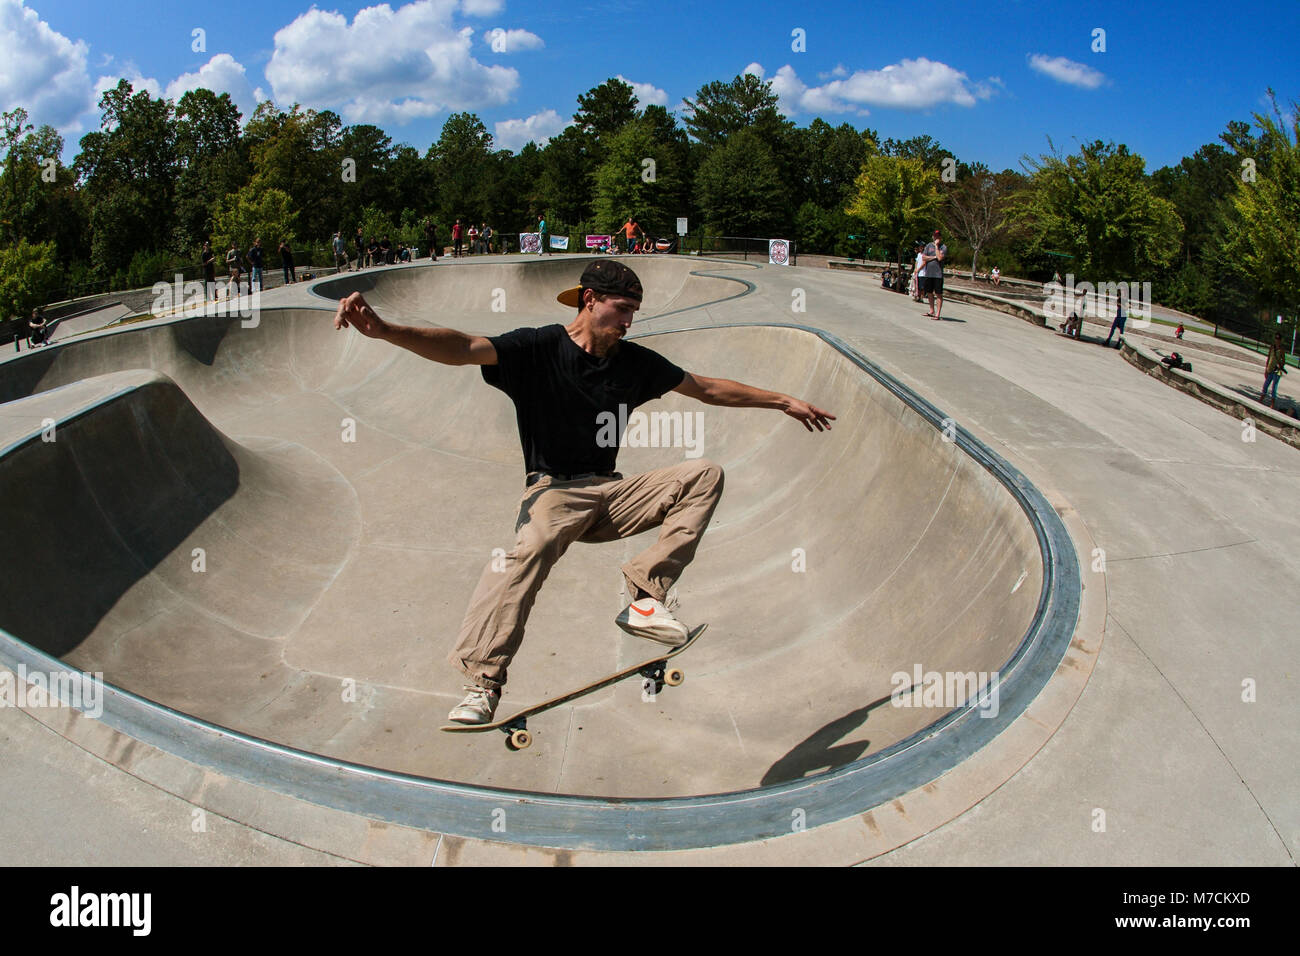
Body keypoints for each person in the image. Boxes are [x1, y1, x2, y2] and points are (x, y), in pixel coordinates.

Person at [332, 259, 835, 724]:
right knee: (527, 551)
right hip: (552, 493)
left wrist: (782, 400)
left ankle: (644, 597)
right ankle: (482, 683)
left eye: (635, 313)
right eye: (622, 310)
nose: (629, 323)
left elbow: (705, 388)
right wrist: (385, 331)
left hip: (611, 496)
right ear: (590, 300)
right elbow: (464, 348)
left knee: (704, 473)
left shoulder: (635, 363)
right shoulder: (536, 349)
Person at [920, 229, 947, 320]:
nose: (936, 237)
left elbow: (939, 258)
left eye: (938, 236)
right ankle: (931, 310)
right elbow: (924, 258)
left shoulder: (943, 247)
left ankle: (937, 314)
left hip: (938, 274)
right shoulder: (928, 246)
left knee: (938, 294)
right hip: (929, 273)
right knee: (929, 292)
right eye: (935, 236)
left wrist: (936, 246)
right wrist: (933, 257)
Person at [1261, 332, 1287, 409]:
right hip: (1270, 369)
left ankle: (1272, 403)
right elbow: (1269, 357)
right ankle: (1261, 398)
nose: (1277, 340)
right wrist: (1266, 368)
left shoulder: (1281, 349)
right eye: (1276, 338)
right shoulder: (1272, 347)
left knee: (1274, 387)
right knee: (1266, 384)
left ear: (1280, 340)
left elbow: (1283, 360)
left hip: (1277, 370)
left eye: (1278, 339)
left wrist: (1280, 365)